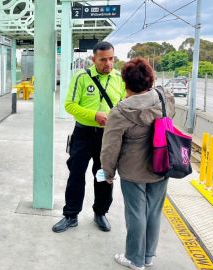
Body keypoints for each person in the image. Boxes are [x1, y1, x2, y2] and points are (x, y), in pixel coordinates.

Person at [100, 58, 175, 270]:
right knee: (153, 212)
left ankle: (134, 258)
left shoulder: (121, 112)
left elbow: (110, 147)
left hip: (133, 172)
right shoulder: (163, 98)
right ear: (150, 79)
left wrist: (108, 173)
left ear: (125, 82)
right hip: (162, 164)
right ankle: (148, 255)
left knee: (136, 214)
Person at [52, 41, 126, 233]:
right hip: (83, 133)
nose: (108, 63)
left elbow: (122, 105)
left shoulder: (118, 78)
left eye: (111, 59)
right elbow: (69, 105)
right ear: (93, 59)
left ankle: (100, 213)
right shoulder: (82, 77)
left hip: (107, 137)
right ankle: (70, 215)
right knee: (76, 174)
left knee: (103, 175)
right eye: (103, 60)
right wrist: (94, 115)